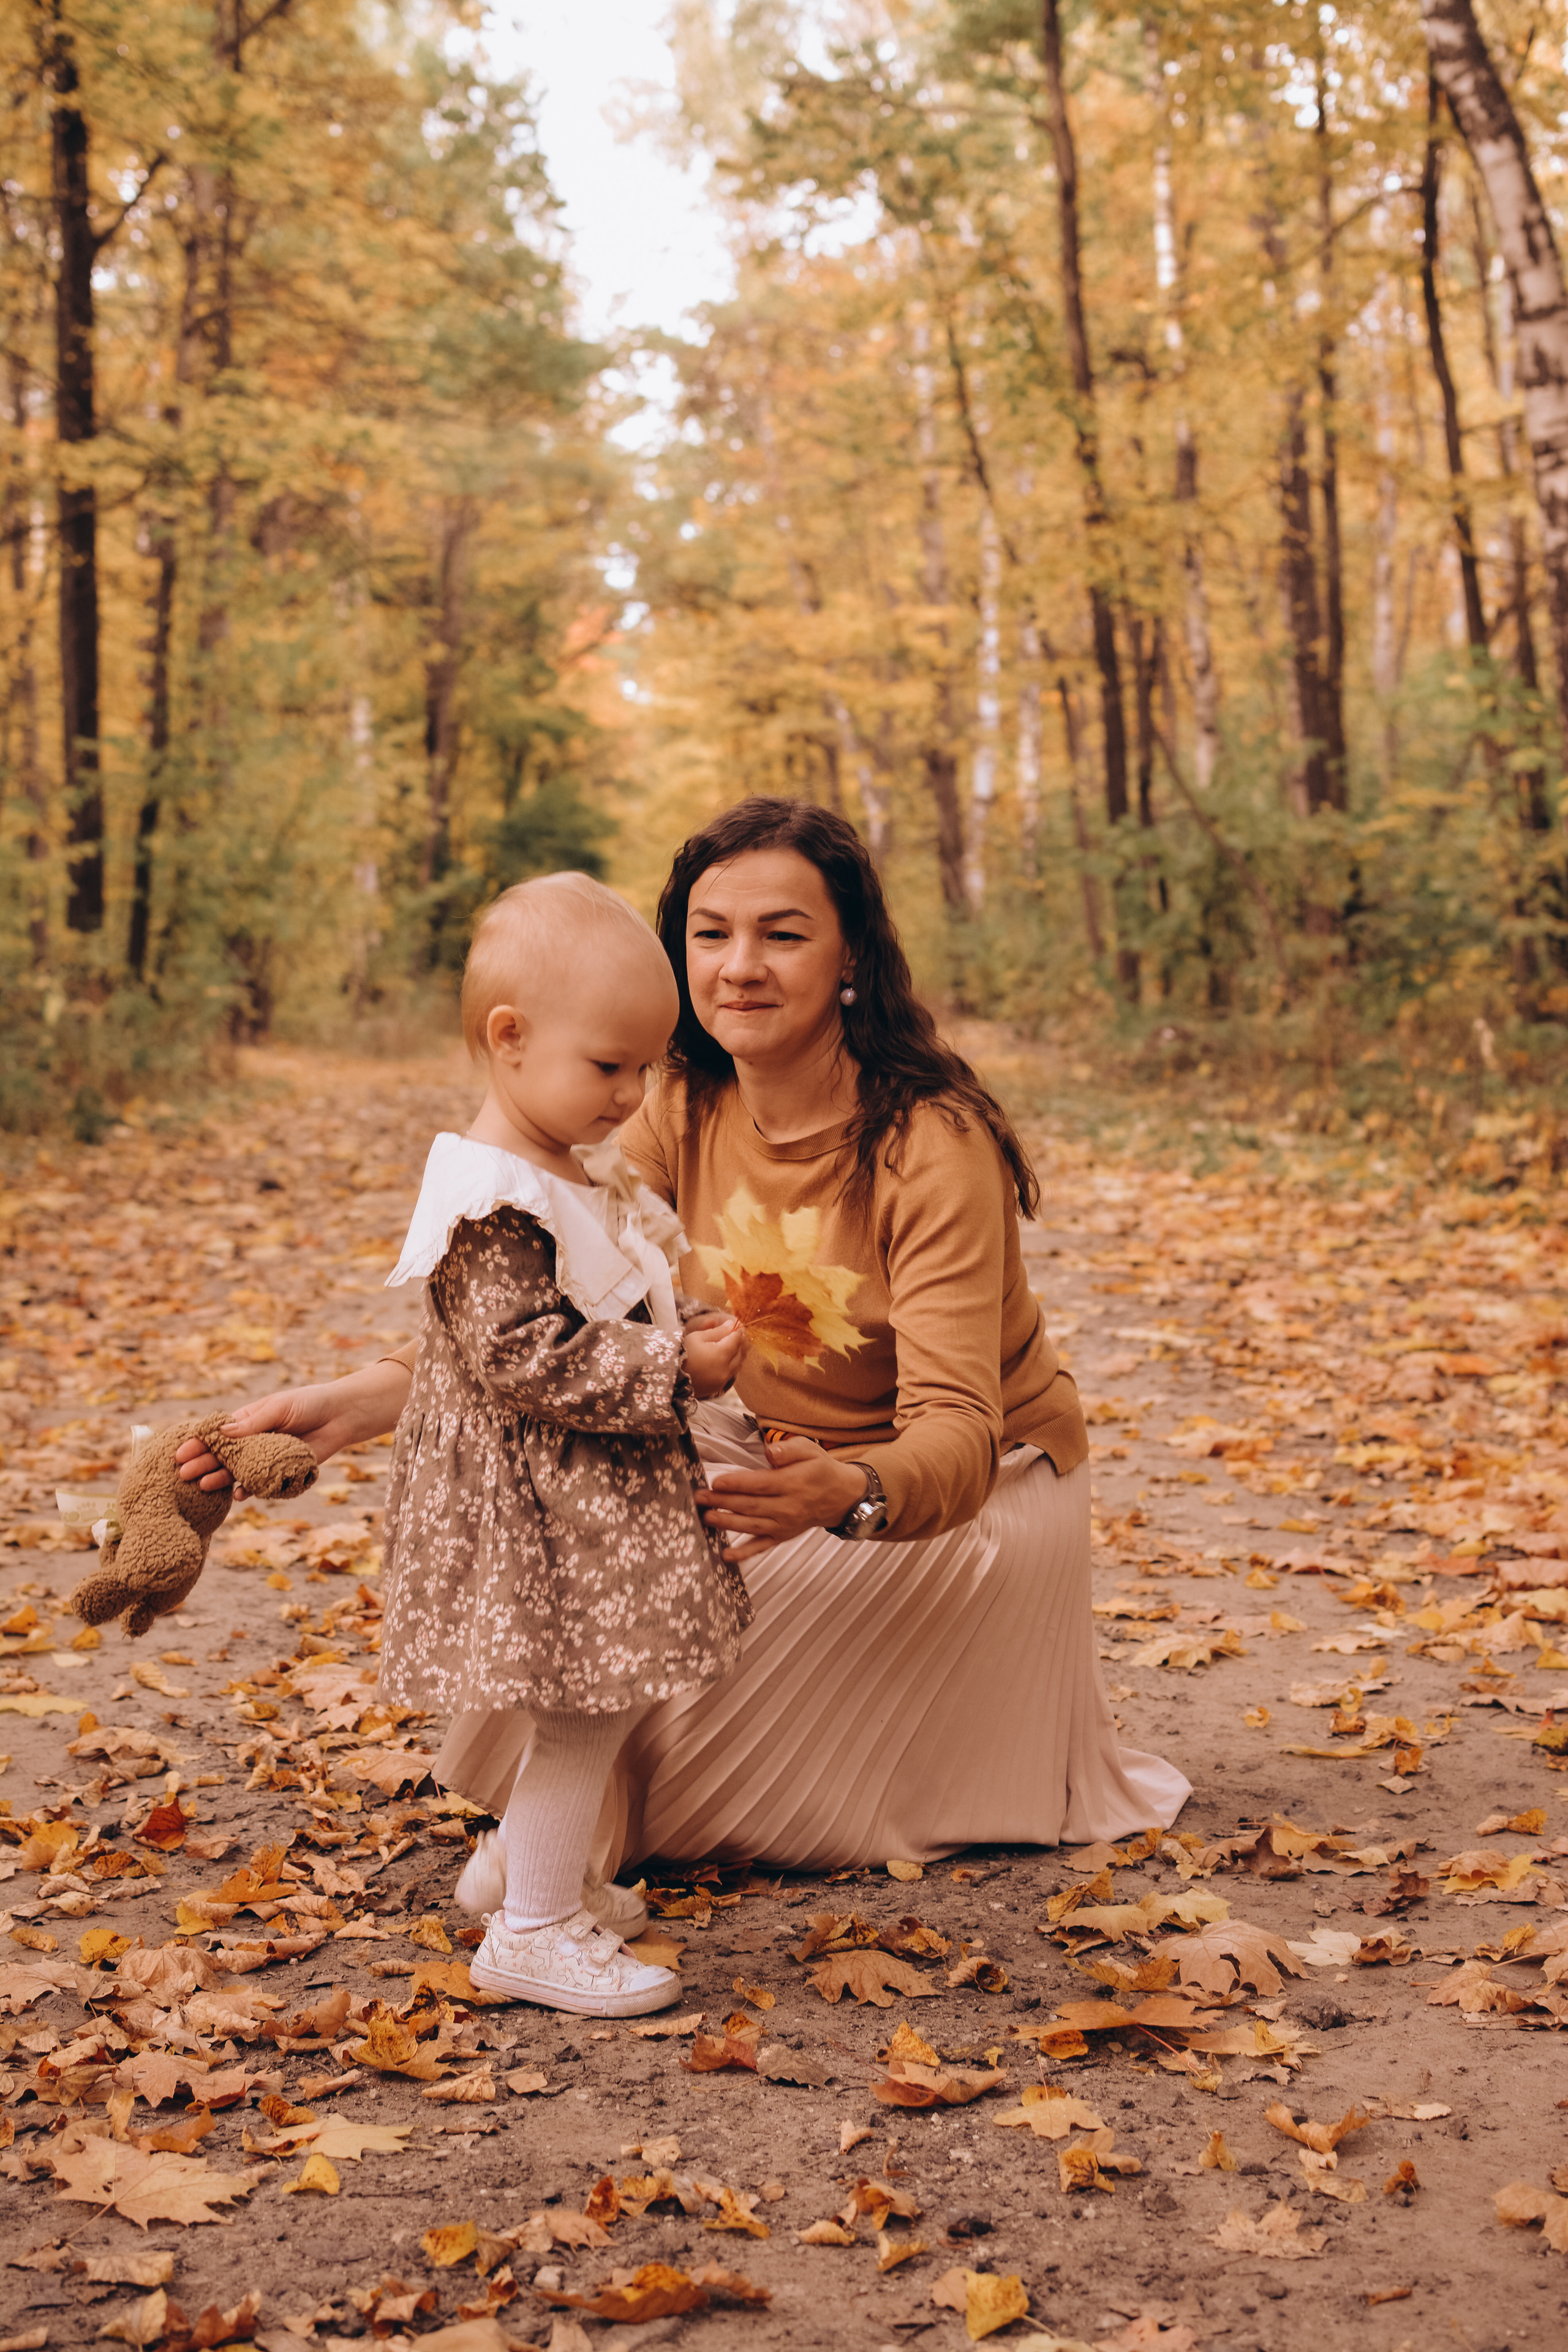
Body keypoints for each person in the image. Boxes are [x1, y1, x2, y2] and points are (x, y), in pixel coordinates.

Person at [180, 798, 1188, 1886]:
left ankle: (559, 1850)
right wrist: (361, 1403)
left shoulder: (928, 1145)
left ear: (851, 956)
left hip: (956, 1501)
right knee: (567, 1544)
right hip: (758, 1455)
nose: (739, 967)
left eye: (783, 934)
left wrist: (840, 1490)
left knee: (668, 1598)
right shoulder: (673, 1106)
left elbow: (959, 1431)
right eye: (711, 934)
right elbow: (558, 1328)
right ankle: (561, 1849)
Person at [356, 870, 750, 2015]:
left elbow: (608, 1287)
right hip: (541, 1516)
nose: (633, 1094)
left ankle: (527, 1875)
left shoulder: (563, 1162)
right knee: (587, 1704)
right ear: (510, 1039)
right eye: (608, 1066)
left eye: (647, 1067)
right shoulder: (495, 1203)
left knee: (601, 1701)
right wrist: (675, 1371)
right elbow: (526, 1355)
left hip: (586, 1499)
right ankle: (531, 1929)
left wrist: (685, 1317)